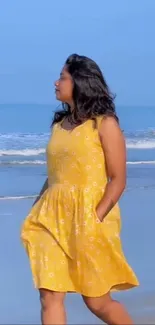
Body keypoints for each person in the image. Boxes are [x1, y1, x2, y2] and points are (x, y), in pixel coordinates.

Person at [21, 54, 139, 325]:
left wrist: (95, 218)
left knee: (97, 301)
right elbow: (55, 177)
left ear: (80, 82)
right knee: (49, 296)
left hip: (89, 216)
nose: (56, 82)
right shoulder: (58, 126)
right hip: (50, 219)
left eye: (62, 77)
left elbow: (118, 179)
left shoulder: (104, 124)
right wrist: (36, 210)